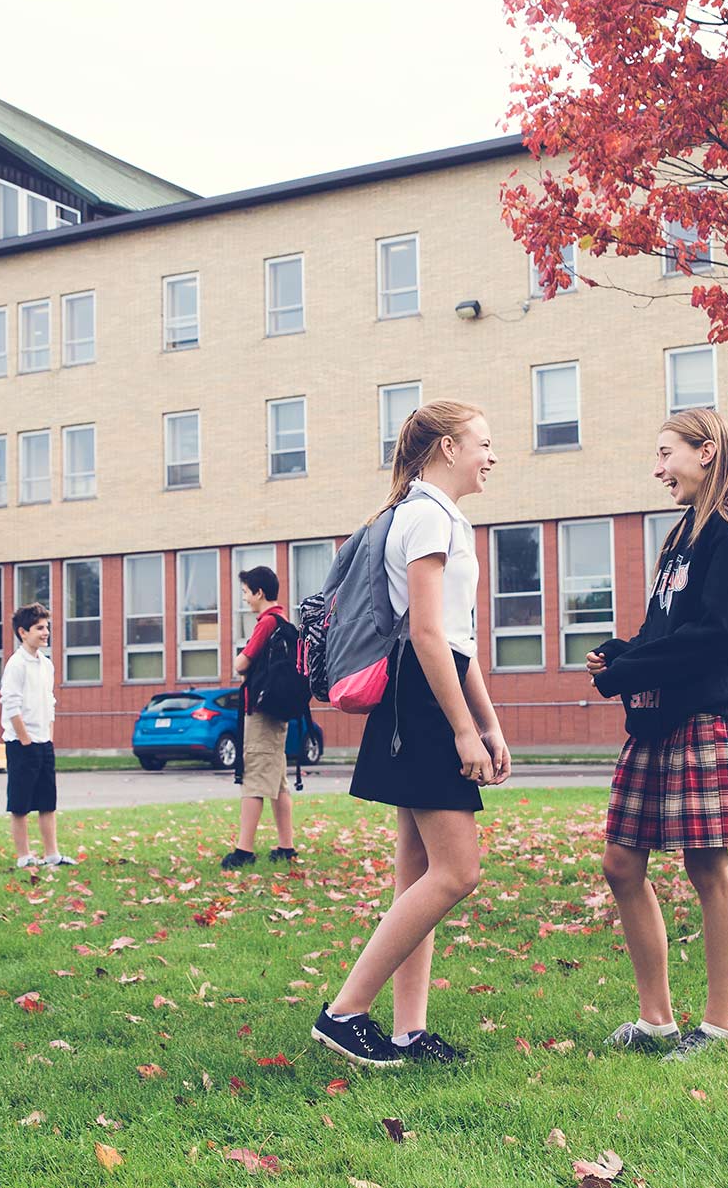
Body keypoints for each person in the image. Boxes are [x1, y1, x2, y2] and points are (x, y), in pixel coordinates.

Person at [311, 399, 511, 1067]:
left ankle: (408, 1031)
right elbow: (426, 634)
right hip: (423, 696)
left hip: (432, 686)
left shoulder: (438, 516)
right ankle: (344, 1013)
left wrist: (489, 723)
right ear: (447, 448)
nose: (491, 454)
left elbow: (459, 640)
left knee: (418, 871)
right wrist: (462, 729)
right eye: (482, 442)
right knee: (458, 871)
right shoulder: (426, 515)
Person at [585, 406, 728, 1059]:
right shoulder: (683, 534)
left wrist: (632, 669)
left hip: (705, 718)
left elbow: (725, 636)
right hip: (657, 719)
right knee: (621, 863)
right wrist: (624, 654)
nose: (658, 467)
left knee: (707, 866)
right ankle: (656, 1021)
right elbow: (668, 629)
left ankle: (718, 1026)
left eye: (666, 452)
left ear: (706, 451)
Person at [222, 565, 298, 870]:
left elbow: (242, 663)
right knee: (278, 783)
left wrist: (238, 661)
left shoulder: (267, 623)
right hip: (276, 712)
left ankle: (244, 850)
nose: (244, 598)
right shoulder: (283, 621)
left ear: (259, 592)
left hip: (261, 713)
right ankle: (285, 846)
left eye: (245, 592)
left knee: (254, 779)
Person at [0, 603, 75, 870]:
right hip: (22, 744)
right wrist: (26, 739)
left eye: (47, 627)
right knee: (20, 803)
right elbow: (10, 704)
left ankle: (52, 854)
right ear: (23, 632)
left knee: (47, 801)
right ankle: (24, 856)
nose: (46, 632)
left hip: (44, 742)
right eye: (39, 628)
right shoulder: (16, 664)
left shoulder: (46, 665)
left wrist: (48, 736)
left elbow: (50, 701)